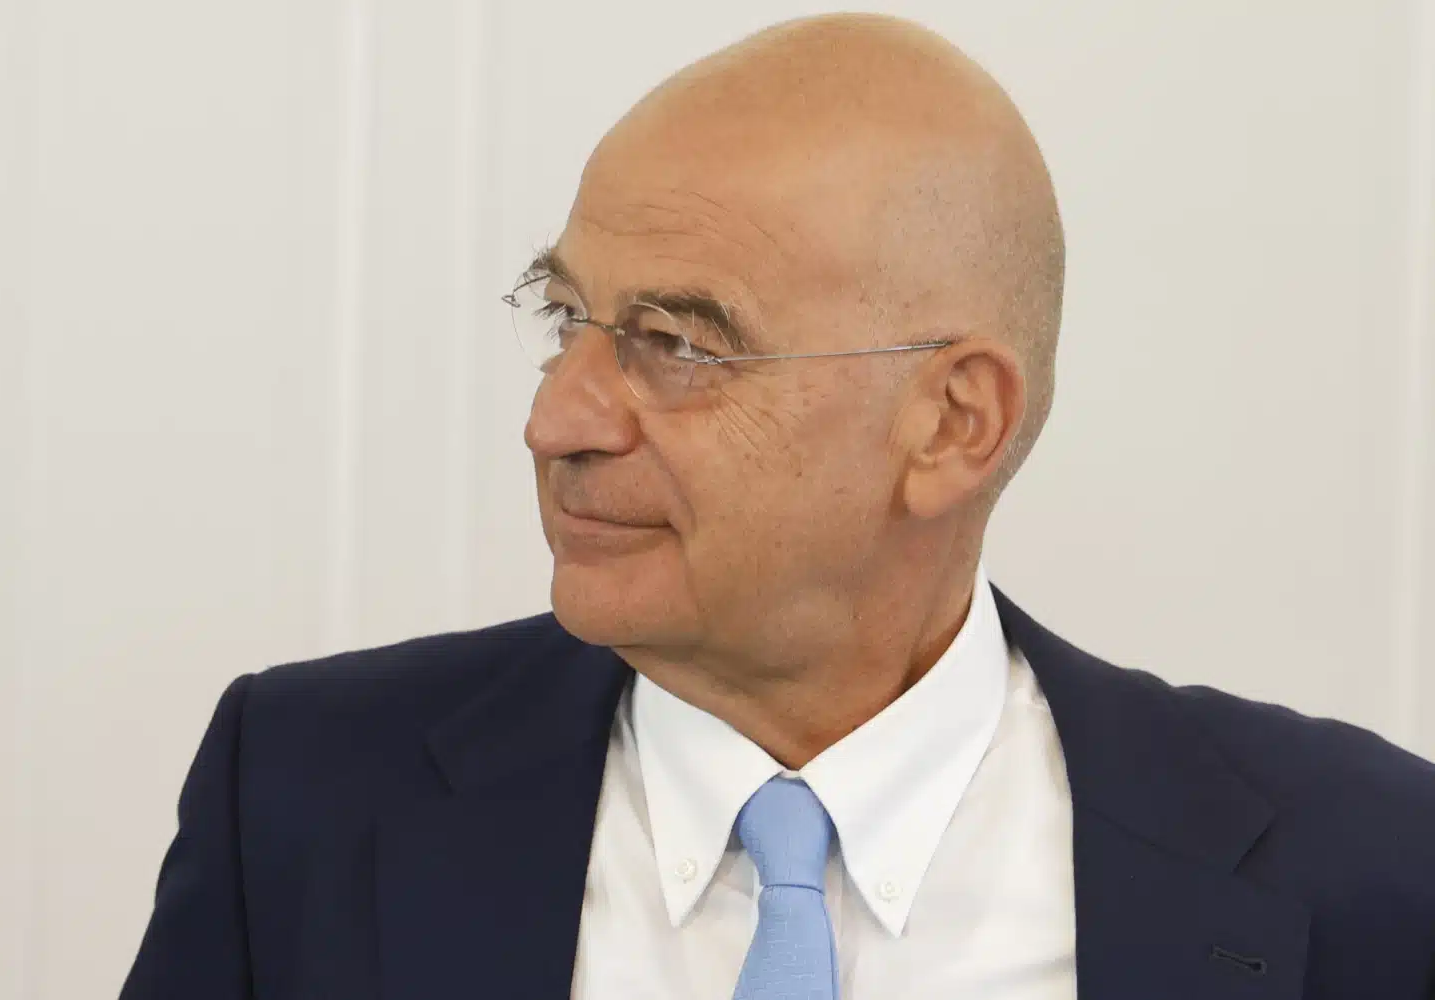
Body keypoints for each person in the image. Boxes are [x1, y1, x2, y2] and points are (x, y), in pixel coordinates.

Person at [121, 13, 1435, 1000]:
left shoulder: (1369, 872)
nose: (559, 420)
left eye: (678, 345)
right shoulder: (300, 797)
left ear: (952, 424)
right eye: (567, 319)